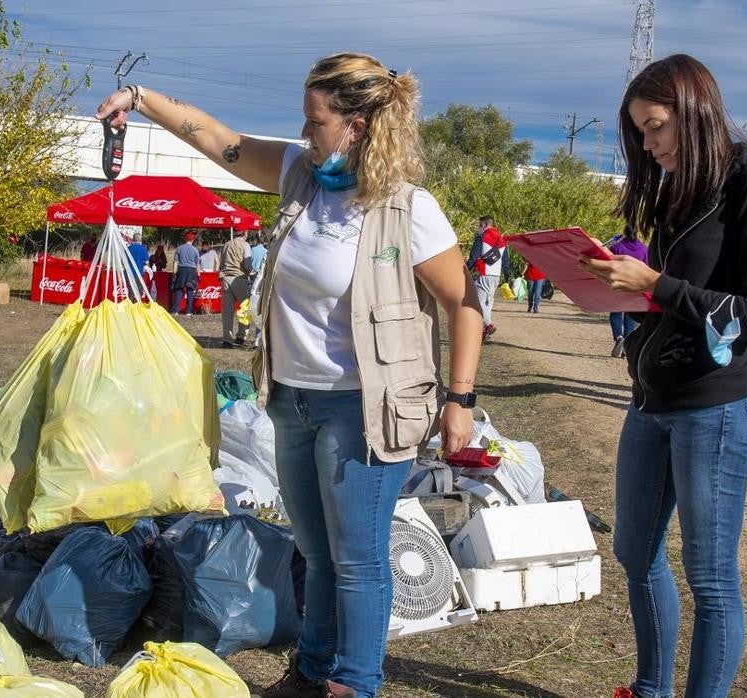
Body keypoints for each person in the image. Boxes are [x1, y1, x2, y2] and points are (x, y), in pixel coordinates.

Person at [97, 52, 483, 698]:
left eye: (316, 121)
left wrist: (461, 397)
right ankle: (311, 671)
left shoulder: (407, 210)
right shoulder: (300, 177)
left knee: (357, 557)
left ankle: (354, 684)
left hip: (364, 410)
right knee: (314, 549)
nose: (305, 134)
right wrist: (138, 98)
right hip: (293, 402)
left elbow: (465, 304)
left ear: (356, 127)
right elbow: (216, 139)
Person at [583, 54, 747, 698]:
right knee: (634, 552)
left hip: (716, 405)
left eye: (655, 129)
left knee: (710, 575)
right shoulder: (684, 186)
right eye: (639, 134)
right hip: (653, 396)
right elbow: (685, 294)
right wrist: (619, 286)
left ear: (695, 113)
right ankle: (651, 689)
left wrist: (657, 285)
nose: (648, 147)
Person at [604, 225, 650, 358]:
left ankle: (619, 338)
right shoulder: (643, 249)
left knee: (615, 315)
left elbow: (608, 260)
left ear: (624, 233)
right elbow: (647, 267)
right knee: (630, 318)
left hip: (618, 285)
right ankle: (627, 346)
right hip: (635, 287)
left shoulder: (617, 247)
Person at [466, 215, 510, 341]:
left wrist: (465, 270)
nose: (479, 228)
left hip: (483, 273)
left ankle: (488, 325)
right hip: (496, 275)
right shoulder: (501, 239)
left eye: (480, 225)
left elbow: (474, 257)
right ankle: (483, 332)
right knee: (488, 303)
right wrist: (507, 277)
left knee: (478, 302)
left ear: (484, 225)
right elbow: (505, 261)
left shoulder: (481, 237)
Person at [219, 228, 252, 347]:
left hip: (226, 278)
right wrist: (252, 273)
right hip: (239, 278)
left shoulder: (227, 244)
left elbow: (221, 262)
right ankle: (240, 336)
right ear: (244, 233)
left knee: (227, 311)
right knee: (245, 308)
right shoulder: (245, 245)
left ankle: (227, 339)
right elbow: (247, 264)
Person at [170, 232, 200, 315]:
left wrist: (174, 273)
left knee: (179, 290)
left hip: (181, 270)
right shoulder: (195, 250)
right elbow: (197, 264)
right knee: (190, 290)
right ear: (193, 239)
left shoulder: (179, 249)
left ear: (185, 239)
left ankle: (175, 310)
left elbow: (175, 262)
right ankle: (188, 311)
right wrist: (198, 274)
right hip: (191, 271)